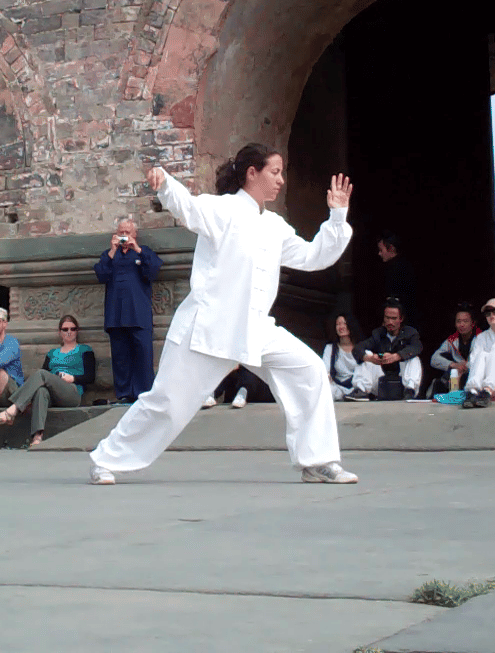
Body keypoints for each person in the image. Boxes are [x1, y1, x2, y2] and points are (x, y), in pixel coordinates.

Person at [89, 144, 358, 485]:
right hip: (208, 328)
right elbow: (189, 208)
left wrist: (337, 216)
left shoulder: (276, 226)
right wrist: (166, 183)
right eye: (274, 172)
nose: (281, 180)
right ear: (252, 173)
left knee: (310, 371)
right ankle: (106, 459)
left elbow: (312, 258)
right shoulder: (224, 210)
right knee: (166, 403)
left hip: (256, 329)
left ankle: (318, 461)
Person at [0, 314, 96, 447]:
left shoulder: (85, 350)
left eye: (72, 329)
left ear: (77, 331)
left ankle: (13, 409)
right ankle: (37, 437)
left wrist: (72, 378)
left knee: (41, 374)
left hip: (72, 391)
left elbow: (91, 377)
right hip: (52, 391)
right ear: (59, 332)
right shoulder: (52, 353)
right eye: (65, 329)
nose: (69, 332)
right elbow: (42, 376)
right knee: (41, 390)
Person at [93, 216, 163, 403]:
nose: (124, 236)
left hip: (138, 313)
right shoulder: (109, 255)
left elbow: (154, 270)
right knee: (120, 357)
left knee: (143, 354)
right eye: (120, 233)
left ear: (135, 235)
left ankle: (144, 393)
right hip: (116, 314)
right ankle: (124, 393)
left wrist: (137, 249)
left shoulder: (143, 252)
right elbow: (101, 274)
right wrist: (112, 250)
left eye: (127, 233)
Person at [351, 299, 423, 400]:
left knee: (414, 358)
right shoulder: (378, 334)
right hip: (381, 380)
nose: (390, 322)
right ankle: (362, 390)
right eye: (387, 318)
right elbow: (357, 348)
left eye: (394, 318)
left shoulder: (410, 333)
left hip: (402, 381)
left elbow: (417, 347)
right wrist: (371, 358)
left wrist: (397, 356)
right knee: (366, 354)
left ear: (401, 319)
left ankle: (410, 390)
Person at [428, 304, 480, 396]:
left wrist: (464, 367)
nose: (462, 325)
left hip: (475, 375)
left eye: (465, 321)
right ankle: (453, 396)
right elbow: (434, 359)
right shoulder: (452, 339)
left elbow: (482, 360)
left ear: (473, 323)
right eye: (458, 321)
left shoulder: (481, 337)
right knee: (451, 374)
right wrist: (453, 365)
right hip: (456, 376)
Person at [377, 233, 419, 327]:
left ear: (391, 248)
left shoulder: (398, 269)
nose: (379, 253)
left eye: (381, 250)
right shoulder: (399, 266)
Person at [320, 312, 363, 400]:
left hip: (357, 388)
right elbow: (325, 369)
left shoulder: (361, 348)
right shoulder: (330, 348)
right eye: (338, 324)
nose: (341, 327)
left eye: (344, 324)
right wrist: (327, 376)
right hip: (338, 387)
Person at [202, 365, 272, 409]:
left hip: (257, 385)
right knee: (227, 365)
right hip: (235, 386)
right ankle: (213, 394)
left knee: (250, 367)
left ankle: (243, 392)